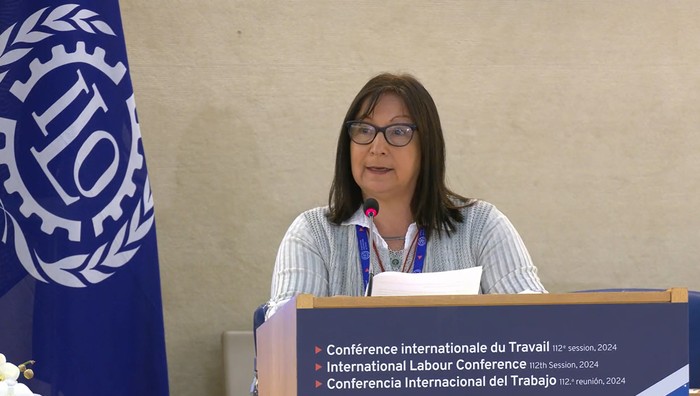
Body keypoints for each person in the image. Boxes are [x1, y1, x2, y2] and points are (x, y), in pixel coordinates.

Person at [266, 73, 545, 318]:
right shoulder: (313, 234)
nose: (377, 147)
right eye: (364, 130)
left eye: (398, 132)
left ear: (427, 147)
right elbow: (284, 336)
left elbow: (537, 321)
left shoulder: (481, 226)